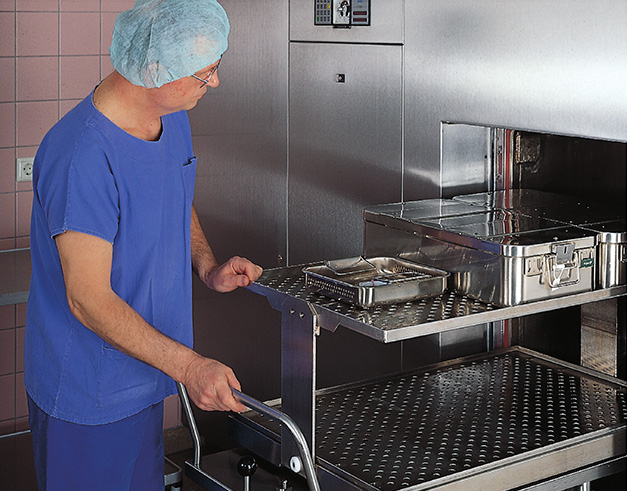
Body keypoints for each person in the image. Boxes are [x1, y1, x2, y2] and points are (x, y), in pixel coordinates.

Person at [23, 0, 262, 489]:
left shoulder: (171, 116)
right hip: (89, 397)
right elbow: (87, 300)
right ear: (155, 71)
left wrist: (206, 265)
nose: (215, 81)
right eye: (204, 72)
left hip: (148, 375)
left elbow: (174, 194)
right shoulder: (82, 156)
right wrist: (190, 367)